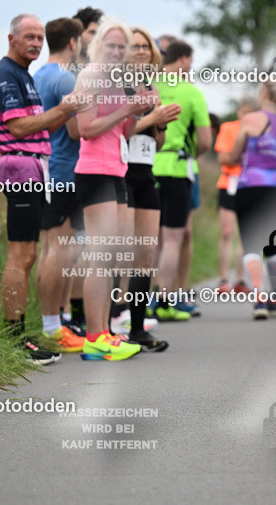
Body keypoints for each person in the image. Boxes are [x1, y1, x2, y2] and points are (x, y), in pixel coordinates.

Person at [0, 13, 88, 365]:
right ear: (11, 38)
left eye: (40, 38)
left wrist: (67, 110)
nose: (35, 43)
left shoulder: (24, 75)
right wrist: (63, 109)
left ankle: (20, 334)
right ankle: (15, 337)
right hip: (20, 165)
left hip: (33, 167)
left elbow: (42, 124)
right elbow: (18, 127)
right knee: (21, 254)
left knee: (28, 254)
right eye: (28, 37)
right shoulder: (7, 75)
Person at [74, 20, 154, 361]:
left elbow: (123, 132)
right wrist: (126, 108)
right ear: (98, 47)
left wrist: (139, 109)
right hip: (94, 172)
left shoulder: (118, 80)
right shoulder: (90, 77)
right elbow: (86, 129)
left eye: (123, 47)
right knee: (100, 257)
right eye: (112, 46)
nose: (119, 52)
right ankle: (94, 337)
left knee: (111, 259)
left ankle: (105, 331)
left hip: (117, 170)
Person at [113, 27, 179, 351]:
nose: (140, 52)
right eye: (135, 46)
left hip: (145, 171)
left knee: (145, 255)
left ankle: (138, 328)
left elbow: (158, 141)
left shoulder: (151, 86)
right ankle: (111, 323)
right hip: (120, 172)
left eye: (145, 47)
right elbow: (116, 132)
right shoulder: (117, 84)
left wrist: (161, 121)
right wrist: (152, 114)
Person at [220, 82, 276, 319]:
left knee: (251, 244)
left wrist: (227, 157)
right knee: (273, 245)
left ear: (263, 94)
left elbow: (233, 155)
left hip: (250, 185)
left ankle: (259, 300)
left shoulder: (250, 120)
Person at [33, 17, 87, 353]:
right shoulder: (65, 78)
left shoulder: (38, 74)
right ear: (72, 42)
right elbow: (76, 131)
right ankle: (52, 327)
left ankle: (55, 323)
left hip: (44, 169)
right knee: (58, 249)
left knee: (52, 248)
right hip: (63, 170)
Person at [150, 40, 212, 320]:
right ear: (184, 60)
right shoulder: (191, 92)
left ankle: (145, 298)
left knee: (151, 239)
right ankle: (165, 299)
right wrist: (191, 154)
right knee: (173, 239)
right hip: (176, 168)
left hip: (146, 166)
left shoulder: (150, 86)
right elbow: (205, 140)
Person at [213, 97, 258, 294]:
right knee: (226, 232)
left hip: (251, 184)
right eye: (243, 111)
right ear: (238, 111)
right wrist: (242, 156)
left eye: (250, 112)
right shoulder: (229, 128)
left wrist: (235, 156)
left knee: (244, 235)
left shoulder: (259, 130)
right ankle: (223, 279)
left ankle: (240, 280)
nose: (246, 115)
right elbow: (223, 158)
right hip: (229, 184)